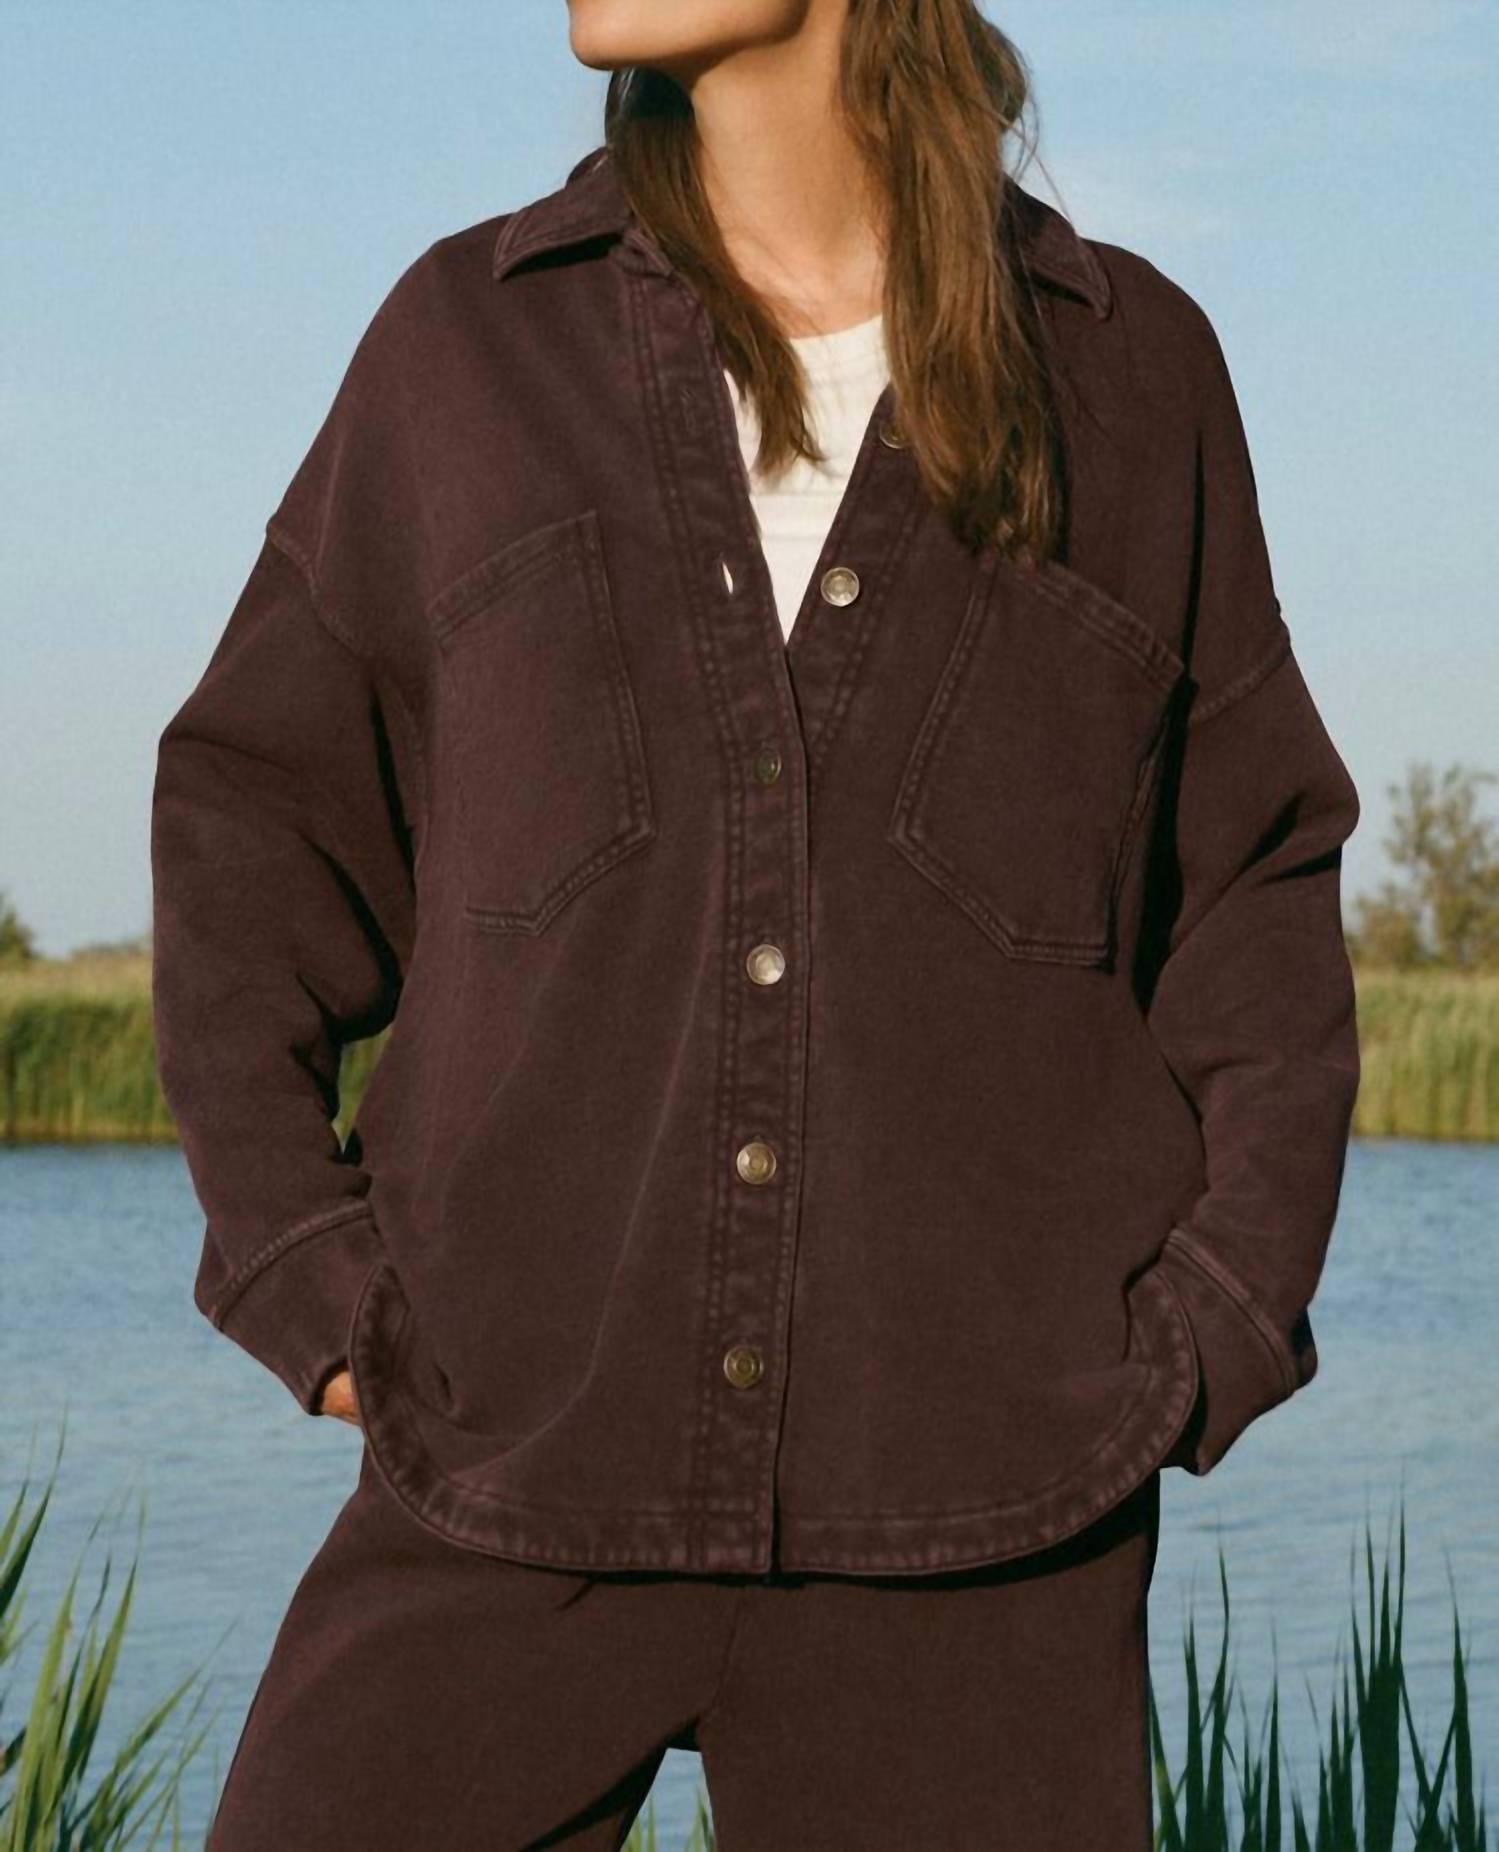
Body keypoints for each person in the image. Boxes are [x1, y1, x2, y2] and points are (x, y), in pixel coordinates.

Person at [149, 2, 1362, 1847]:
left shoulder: (1131, 376)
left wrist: (1214, 1321)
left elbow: (1254, 885)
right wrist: (313, 1281)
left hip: (985, 1523)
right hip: (505, 1459)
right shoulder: (466, 348)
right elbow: (254, 812)